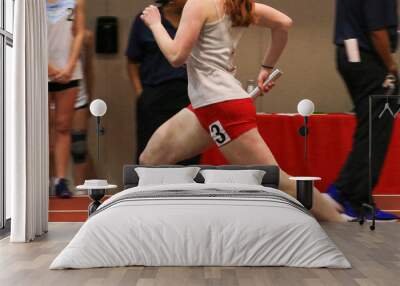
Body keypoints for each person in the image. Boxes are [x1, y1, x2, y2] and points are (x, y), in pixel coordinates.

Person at [139, 0, 346, 222]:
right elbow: (284, 23)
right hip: (205, 106)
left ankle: (338, 220)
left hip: (221, 106)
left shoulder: (198, 4)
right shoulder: (236, 5)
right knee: (150, 159)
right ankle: (163, 222)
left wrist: (155, 24)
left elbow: (175, 56)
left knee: (277, 180)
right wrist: (267, 67)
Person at [327, 0, 399, 220]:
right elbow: (376, 29)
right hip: (367, 57)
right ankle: (353, 198)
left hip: (350, 53)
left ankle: (347, 193)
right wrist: (391, 65)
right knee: (376, 130)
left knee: (370, 127)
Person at [127, 0, 200, 165]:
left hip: (189, 93)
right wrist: (140, 93)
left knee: (189, 152)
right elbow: (132, 61)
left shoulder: (195, 17)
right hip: (154, 95)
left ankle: (188, 190)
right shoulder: (146, 19)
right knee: (150, 153)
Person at [47, 0, 85, 198]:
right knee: (41, 128)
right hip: (40, 71)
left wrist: (70, 66)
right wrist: (47, 67)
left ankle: (61, 180)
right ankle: (44, 178)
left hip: (69, 71)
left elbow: (79, 32)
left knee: (63, 126)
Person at [71, 30, 96, 187]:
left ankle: (81, 190)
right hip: (50, 94)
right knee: (50, 148)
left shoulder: (86, 37)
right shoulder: (42, 30)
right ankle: (52, 187)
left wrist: (89, 98)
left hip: (78, 95)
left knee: (79, 147)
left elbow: (89, 69)